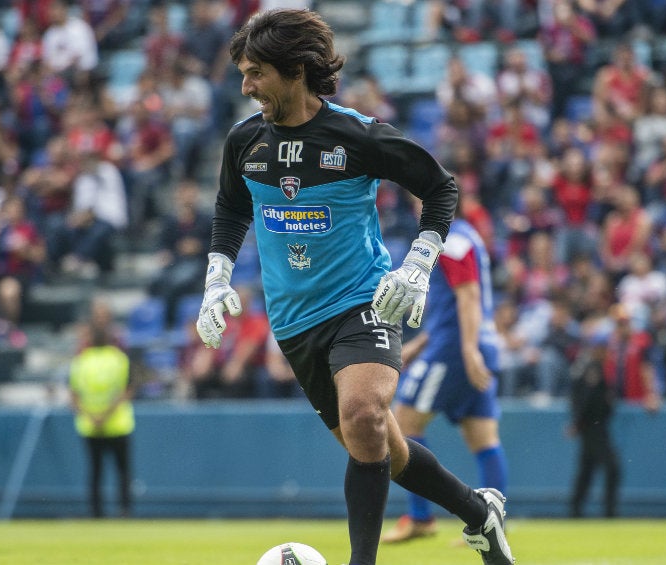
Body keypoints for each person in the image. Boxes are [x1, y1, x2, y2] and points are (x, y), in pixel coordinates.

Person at [194, 10, 514, 565]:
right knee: (381, 449)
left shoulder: (355, 136)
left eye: (255, 73)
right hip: (295, 325)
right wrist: (216, 277)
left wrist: (417, 265)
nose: (245, 87)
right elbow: (229, 207)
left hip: (362, 302)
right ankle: (477, 513)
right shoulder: (244, 141)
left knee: (365, 414)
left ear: (295, 70)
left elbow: (440, 189)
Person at [380, 211, 508, 543]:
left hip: (455, 349)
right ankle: (491, 525)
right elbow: (456, 304)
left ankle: (421, 518)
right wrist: (421, 345)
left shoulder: (451, 239)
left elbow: (468, 296)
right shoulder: (468, 237)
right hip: (466, 343)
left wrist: (466, 349)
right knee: (484, 438)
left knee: (403, 423)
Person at [68, 325, 135, 519]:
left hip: (90, 426)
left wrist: (91, 416)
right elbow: (127, 391)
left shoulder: (80, 361)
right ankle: (125, 511)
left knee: (95, 472)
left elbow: (74, 396)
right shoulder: (119, 359)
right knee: (123, 471)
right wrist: (106, 415)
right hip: (118, 424)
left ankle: (96, 513)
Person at [567, 331, 621, 518]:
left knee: (587, 469)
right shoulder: (592, 369)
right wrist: (577, 422)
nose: (606, 352)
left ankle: (575, 508)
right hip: (593, 427)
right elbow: (584, 399)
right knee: (612, 466)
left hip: (594, 425)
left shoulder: (593, 367)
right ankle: (608, 510)